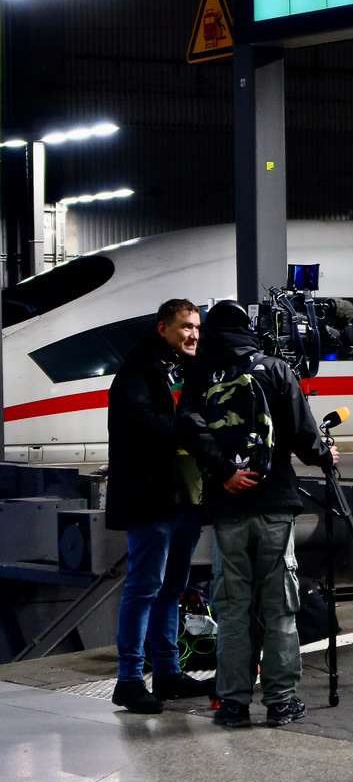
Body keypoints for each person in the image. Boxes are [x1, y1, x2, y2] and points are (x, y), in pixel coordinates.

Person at [177, 300, 338, 729]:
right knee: (280, 609)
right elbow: (305, 437)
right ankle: (281, 701)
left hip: (228, 508)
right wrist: (326, 454)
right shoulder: (275, 369)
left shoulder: (200, 376)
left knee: (231, 609)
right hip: (274, 507)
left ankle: (232, 703)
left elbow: (189, 426)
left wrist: (224, 470)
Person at [106, 299, 214, 713]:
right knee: (143, 588)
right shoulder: (137, 373)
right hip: (152, 500)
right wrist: (190, 429)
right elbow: (137, 423)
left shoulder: (195, 372)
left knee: (171, 589)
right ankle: (129, 679)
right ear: (162, 328)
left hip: (188, 500)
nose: (193, 335)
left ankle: (167, 673)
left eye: (197, 328)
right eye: (185, 327)